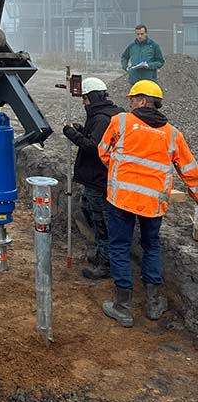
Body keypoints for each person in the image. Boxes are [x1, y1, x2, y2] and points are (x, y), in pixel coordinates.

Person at [98, 79, 198, 327]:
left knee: (119, 247)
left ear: (142, 101)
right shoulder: (173, 134)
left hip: (121, 199)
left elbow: (103, 151)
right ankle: (153, 303)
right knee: (151, 246)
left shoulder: (121, 121)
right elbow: (190, 171)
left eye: (132, 99)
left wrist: (121, 171)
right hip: (153, 204)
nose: (129, 103)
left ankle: (122, 306)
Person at [63, 78, 124, 280]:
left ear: (91, 97)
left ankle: (106, 263)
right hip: (98, 177)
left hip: (99, 179)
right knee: (88, 208)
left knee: (101, 220)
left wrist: (73, 135)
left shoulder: (101, 118)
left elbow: (94, 147)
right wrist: (83, 132)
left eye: (85, 99)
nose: (83, 103)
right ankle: (101, 253)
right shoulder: (108, 114)